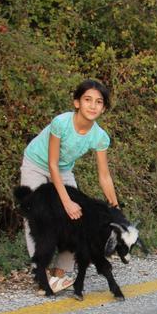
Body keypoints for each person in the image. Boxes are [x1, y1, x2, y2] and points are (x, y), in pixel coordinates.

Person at [20, 79, 120, 293]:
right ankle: (40, 273)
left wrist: (115, 208)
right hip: (37, 164)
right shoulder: (61, 123)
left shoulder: (100, 137)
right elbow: (51, 165)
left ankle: (60, 272)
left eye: (99, 102)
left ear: (103, 108)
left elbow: (104, 176)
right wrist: (66, 202)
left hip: (63, 170)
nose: (93, 106)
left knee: (78, 218)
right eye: (87, 100)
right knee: (36, 215)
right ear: (77, 102)